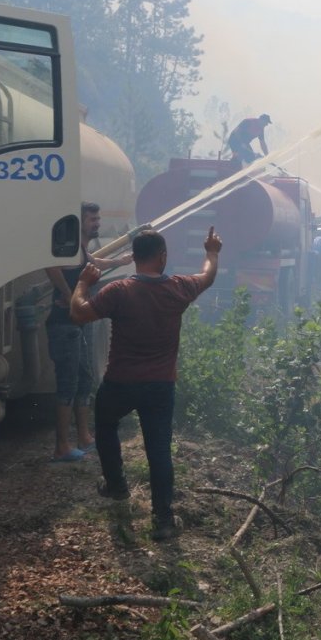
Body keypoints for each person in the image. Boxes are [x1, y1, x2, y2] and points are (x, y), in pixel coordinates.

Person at [70, 226, 221, 541]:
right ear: (162, 256)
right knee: (159, 450)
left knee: (106, 424)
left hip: (120, 382)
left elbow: (78, 314)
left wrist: (83, 283)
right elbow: (207, 276)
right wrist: (212, 252)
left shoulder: (119, 291)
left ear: (134, 258)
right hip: (160, 386)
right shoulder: (178, 287)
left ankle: (116, 485)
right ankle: (163, 520)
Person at [44, 202, 132, 462]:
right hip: (64, 324)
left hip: (77, 324)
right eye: (92, 219)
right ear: (79, 221)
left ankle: (84, 436)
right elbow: (49, 266)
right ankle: (61, 446)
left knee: (83, 380)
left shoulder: (79, 248)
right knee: (68, 383)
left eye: (98, 218)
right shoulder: (64, 247)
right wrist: (68, 295)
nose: (97, 223)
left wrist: (122, 260)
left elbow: (94, 263)